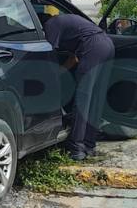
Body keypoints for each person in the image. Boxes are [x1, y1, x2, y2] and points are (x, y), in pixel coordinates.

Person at [42, 13, 115, 161]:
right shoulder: (67, 23)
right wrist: (58, 74)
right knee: (95, 99)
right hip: (107, 45)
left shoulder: (51, 25)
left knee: (83, 98)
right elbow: (73, 59)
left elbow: (47, 54)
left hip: (92, 47)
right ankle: (89, 144)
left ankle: (77, 148)